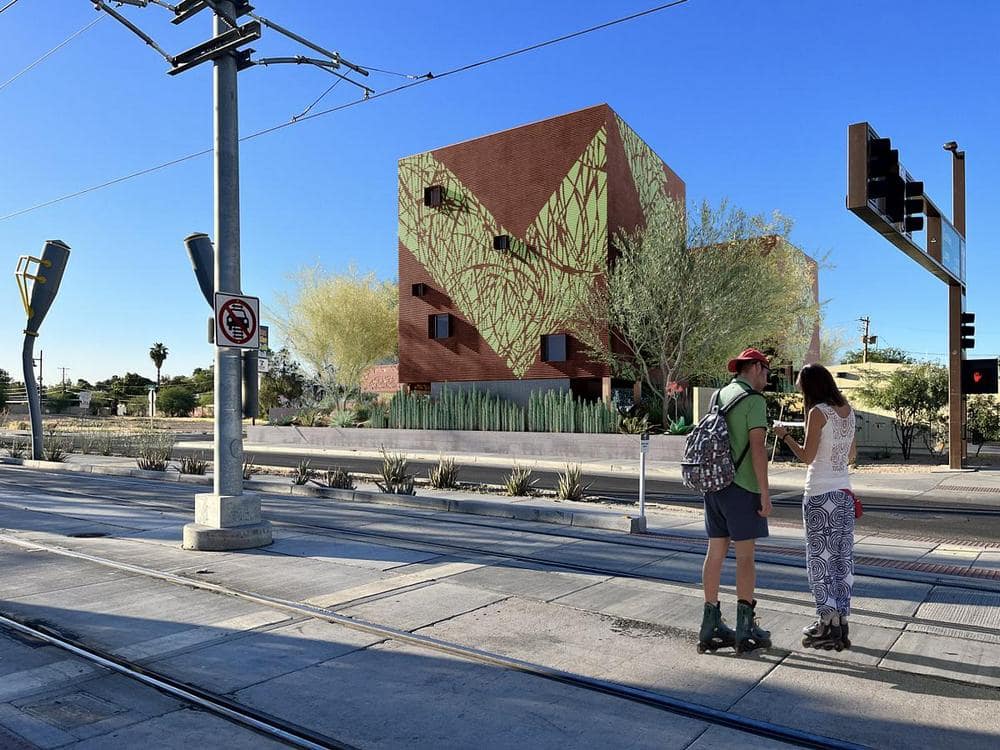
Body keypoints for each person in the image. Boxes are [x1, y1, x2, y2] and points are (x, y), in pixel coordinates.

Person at [774, 363, 857, 651]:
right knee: (841, 560)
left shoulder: (817, 412)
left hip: (820, 494)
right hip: (844, 494)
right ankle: (841, 622)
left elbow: (808, 457)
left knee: (819, 560)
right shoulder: (847, 410)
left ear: (811, 386)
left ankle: (825, 621)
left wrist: (784, 436)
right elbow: (852, 453)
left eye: (800, 386)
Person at [698, 347, 773, 655]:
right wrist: (765, 493)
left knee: (715, 552)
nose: (768, 378)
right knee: (745, 557)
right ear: (755, 367)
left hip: (714, 486)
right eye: (767, 371)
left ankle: (710, 622)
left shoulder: (718, 396)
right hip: (742, 487)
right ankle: (745, 626)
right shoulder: (754, 401)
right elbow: (758, 449)